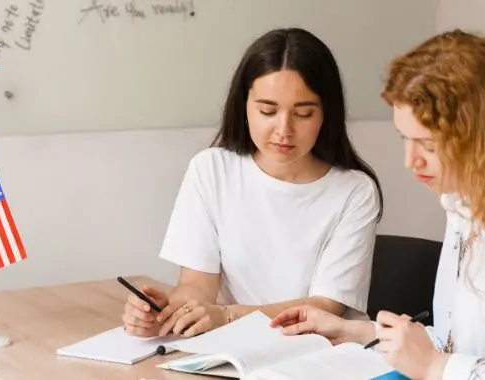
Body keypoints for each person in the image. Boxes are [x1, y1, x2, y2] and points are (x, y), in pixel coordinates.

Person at [271, 29, 485, 379]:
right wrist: (352, 331)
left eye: (427, 144)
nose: (411, 161)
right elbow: (459, 347)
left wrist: (433, 367)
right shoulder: (465, 208)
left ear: (484, 138)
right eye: (405, 139)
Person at [121, 27, 384, 339]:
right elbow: (197, 285)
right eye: (267, 111)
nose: (283, 129)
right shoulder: (211, 170)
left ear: (326, 114)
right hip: (230, 349)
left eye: (303, 113)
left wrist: (228, 316)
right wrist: (165, 312)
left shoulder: (354, 191)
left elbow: (325, 307)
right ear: (244, 106)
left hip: (318, 352)